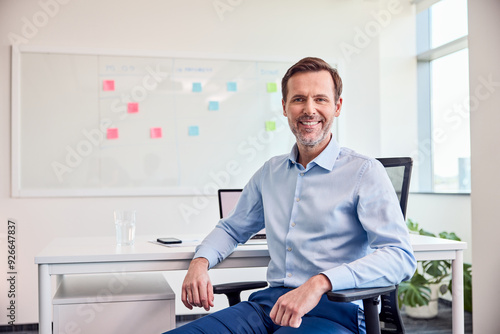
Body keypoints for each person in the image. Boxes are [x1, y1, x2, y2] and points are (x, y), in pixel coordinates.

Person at [165, 57, 416, 334]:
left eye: (320, 99)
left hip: (335, 310)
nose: (309, 110)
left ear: (337, 106)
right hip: (268, 307)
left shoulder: (365, 172)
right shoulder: (270, 172)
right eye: (299, 99)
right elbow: (232, 228)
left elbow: (399, 256)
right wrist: (200, 262)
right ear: (284, 107)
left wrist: (319, 282)